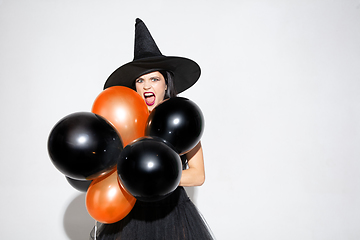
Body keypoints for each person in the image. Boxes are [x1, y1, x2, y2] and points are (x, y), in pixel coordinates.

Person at [90, 18, 214, 240]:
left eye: (154, 79)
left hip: (171, 212)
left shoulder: (179, 121)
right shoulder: (123, 122)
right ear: (135, 86)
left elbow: (198, 175)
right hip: (130, 213)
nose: (147, 85)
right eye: (140, 80)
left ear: (166, 83)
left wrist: (160, 177)